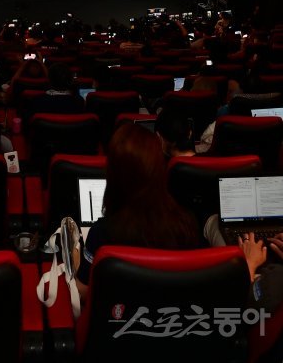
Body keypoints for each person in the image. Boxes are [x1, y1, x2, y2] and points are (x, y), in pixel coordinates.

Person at [74, 122, 201, 301]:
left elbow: (83, 291)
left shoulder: (102, 233)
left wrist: (75, 261)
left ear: (113, 175)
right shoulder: (186, 224)